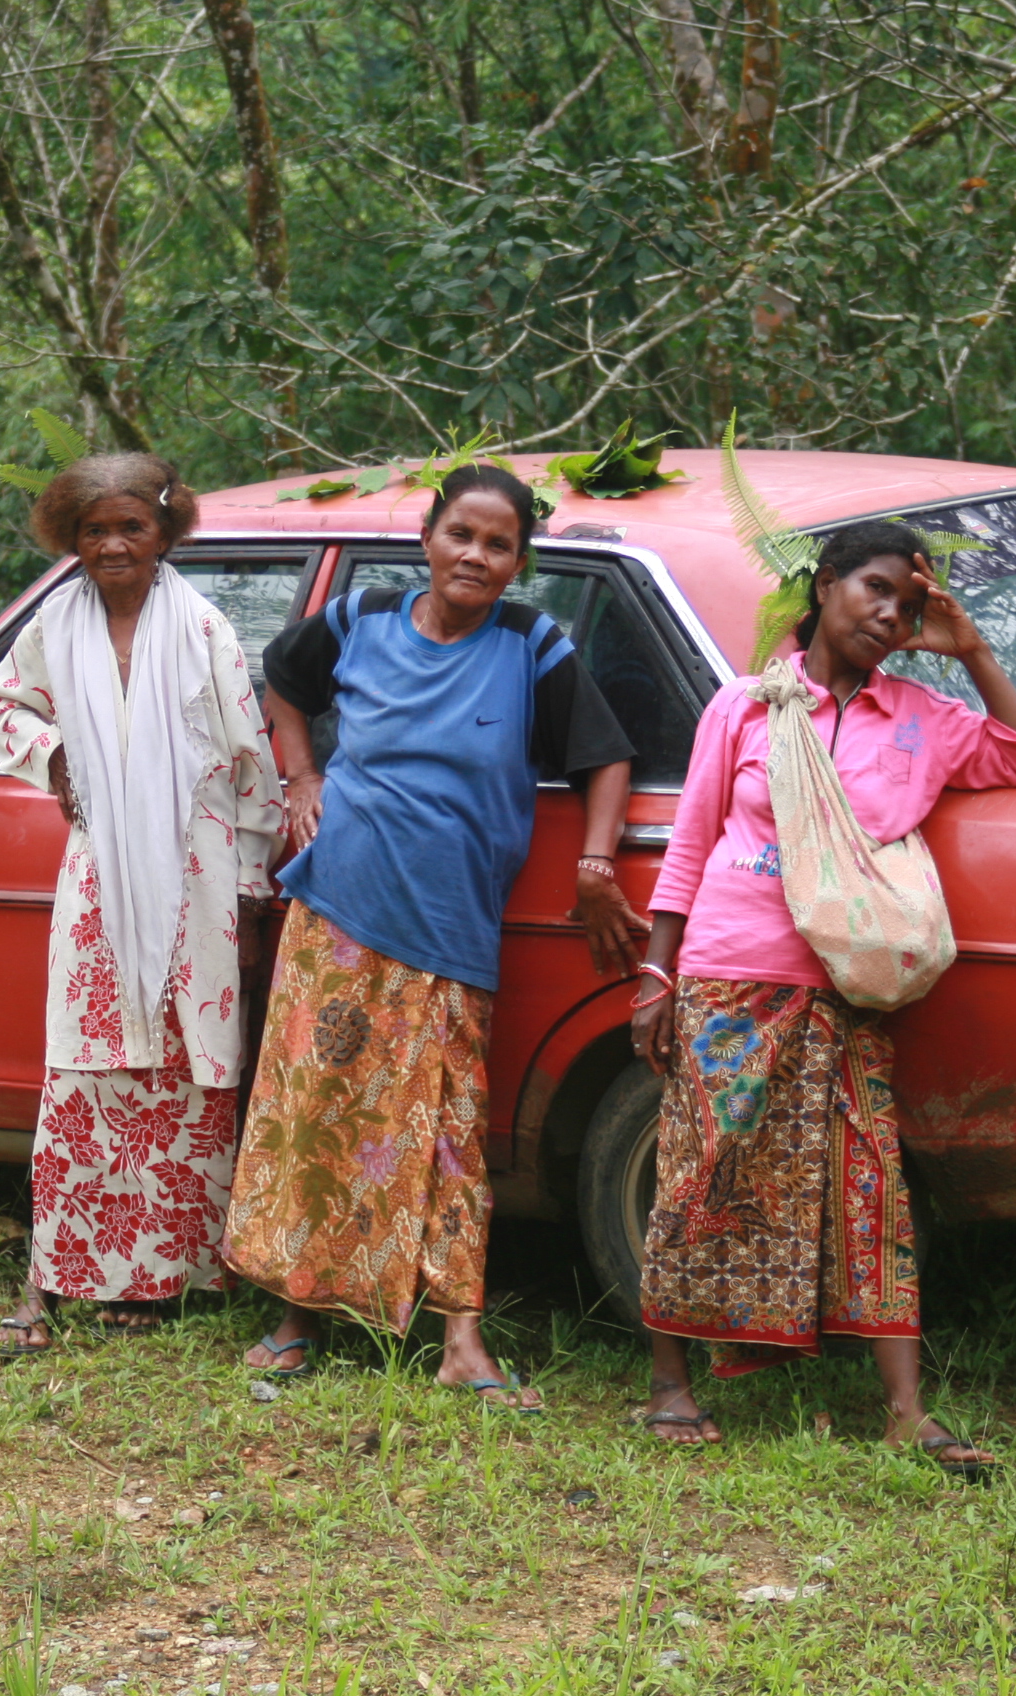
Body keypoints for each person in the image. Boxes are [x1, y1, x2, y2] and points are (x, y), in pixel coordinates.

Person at [629, 520, 1016, 1467]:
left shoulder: (920, 719)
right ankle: (668, 1385)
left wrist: (970, 648)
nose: (889, 612)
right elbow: (690, 843)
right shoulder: (743, 708)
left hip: (850, 992)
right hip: (732, 976)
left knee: (872, 1190)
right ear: (823, 588)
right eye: (873, 588)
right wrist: (657, 975)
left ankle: (906, 1412)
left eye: (907, 603)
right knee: (702, 1173)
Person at [223, 463, 642, 1410]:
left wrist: (597, 864)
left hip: (449, 926)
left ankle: (462, 1340)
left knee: (449, 1130)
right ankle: (298, 1315)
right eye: (462, 535)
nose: (477, 556)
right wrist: (301, 777)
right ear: (429, 538)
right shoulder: (362, 618)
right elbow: (282, 682)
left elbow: (606, 758)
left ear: (519, 562)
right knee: (314, 1115)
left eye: (499, 545)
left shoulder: (532, 646)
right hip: (336, 906)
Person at [0, 454, 285, 1354]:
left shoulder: (203, 629)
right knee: (85, 1068)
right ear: (69, 540)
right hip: (99, 880)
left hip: (196, 879)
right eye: (93, 532)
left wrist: (253, 891)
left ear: (164, 533)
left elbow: (249, 764)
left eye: (130, 529)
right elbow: (2, 710)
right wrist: (52, 755)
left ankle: (162, 1278)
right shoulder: (53, 624)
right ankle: (63, 1271)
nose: (112, 546)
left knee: (184, 1074)